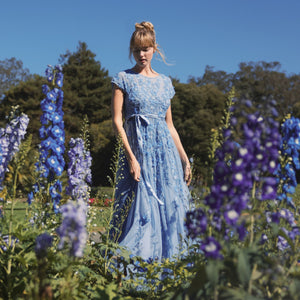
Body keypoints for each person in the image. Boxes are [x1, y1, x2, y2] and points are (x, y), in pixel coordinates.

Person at [110, 21, 192, 260]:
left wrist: (184, 159)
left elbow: (170, 126)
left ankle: (170, 263)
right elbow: (117, 122)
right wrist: (132, 158)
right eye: (136, 50)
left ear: (154, 49)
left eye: (145, 49)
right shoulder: (122, 79)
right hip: (137, 154)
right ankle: (136, 262)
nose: (141, 54)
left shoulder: (165, 82)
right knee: (137, 208)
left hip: (165, 156)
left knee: (170, 206)